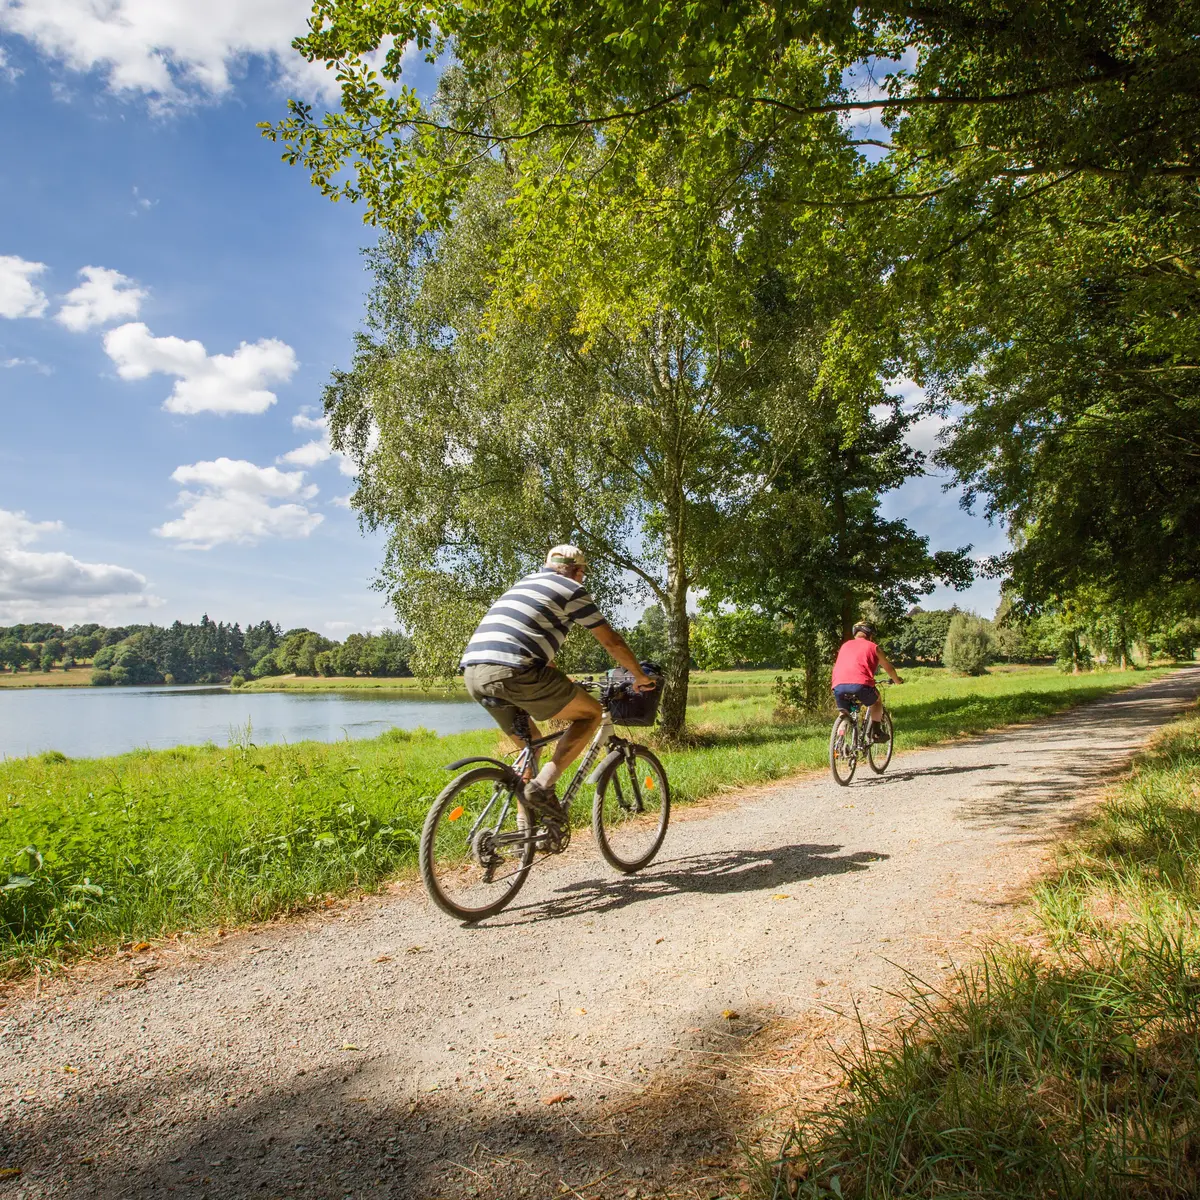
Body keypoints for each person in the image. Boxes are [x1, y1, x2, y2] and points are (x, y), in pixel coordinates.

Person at [460, 544, 656, 819]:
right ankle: (542, 786)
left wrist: (561, 679)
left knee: (533, 745)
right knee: (590, 714)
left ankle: (524, 832)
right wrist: (638, 675)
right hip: (516, 672)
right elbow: (611, 641)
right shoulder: (570, 589)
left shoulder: (524, 585)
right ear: (577, 571)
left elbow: (525, 642)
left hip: (474, 672)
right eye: (582, 574)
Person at [831, 621, 903, 740]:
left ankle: (838, 743)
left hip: (838, 686)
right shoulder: (873, 647)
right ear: (870, 634)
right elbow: (888, 667)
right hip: (861, 685)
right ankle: (876, 733)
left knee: (844, 713)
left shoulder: (845, 645)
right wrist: (897, 680)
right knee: (877, 701)